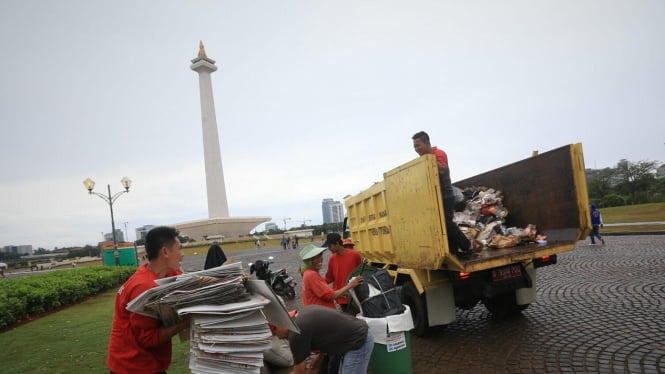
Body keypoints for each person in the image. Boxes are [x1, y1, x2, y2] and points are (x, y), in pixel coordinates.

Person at [107, 226, 190, 374]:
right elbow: (147, 339)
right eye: (179, 249)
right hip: (133, 366)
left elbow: (186, 280)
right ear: (165, 252)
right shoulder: (144, 287)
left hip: (146, 361)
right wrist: (186, 322)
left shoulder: (166, 273)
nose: (182, 255)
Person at [412, 131, 472, 258]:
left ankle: (466, 245)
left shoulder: (438, 153)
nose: (416, 149)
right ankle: (453, 250)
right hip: (435, 198)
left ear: (427, 143)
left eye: (418, 145)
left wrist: (428, 160)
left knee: (446, 222)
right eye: (415, 147)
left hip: (445, 196)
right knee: (441, 226)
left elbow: (442, 168)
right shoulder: (423, 159)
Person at [287, 305, 374, 374]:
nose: (277, 336)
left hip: (359, 339)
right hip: (354, 335)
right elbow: (327, 336)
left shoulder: (296, 332)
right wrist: (318, 358)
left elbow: (299, 371)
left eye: (275, 332)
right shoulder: (302, 316)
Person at [299, 244, 363, 309]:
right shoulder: (311, 275)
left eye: (320, 256)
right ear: (309, 262)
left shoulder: (308, 273)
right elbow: (330, 295)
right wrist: (350, 285)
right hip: (321, 314)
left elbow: (323, 292)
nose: (320, 260)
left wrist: (340, 293)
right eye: (316, 258)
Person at [323, 233, 363, 313]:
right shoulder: (332, 258)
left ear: (337, 244)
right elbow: (329, 278)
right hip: (341, 297)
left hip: (356, 295)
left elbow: (362, 273)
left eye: (330, 246)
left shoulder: (354, 255)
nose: (329, 248)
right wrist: (317, 283)